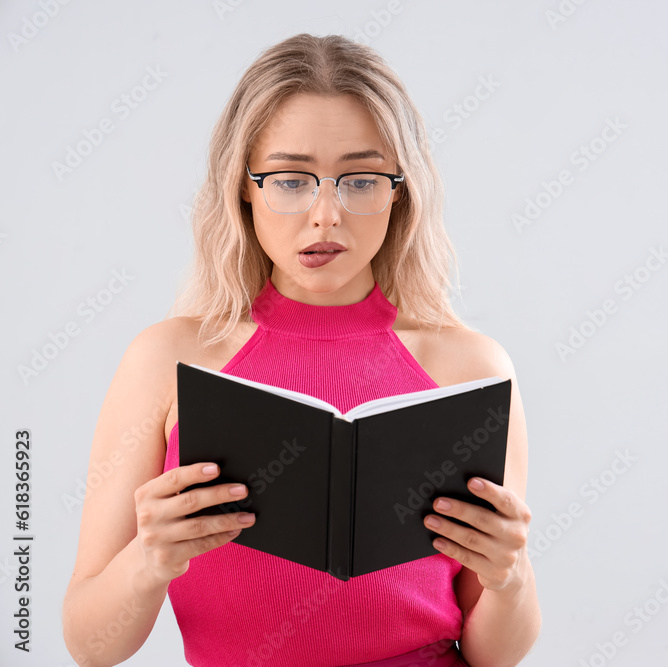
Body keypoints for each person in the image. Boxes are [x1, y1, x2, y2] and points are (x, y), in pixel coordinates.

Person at [61, 33, 541, 667]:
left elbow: (495, 656)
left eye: (360, 180)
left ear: (399, 192)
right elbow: (90, 647)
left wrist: (510, 575)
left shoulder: (471, 370)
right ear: (244, 189)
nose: (325, 215)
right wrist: (150, 559)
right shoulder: (167, 361)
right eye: (290, 180)